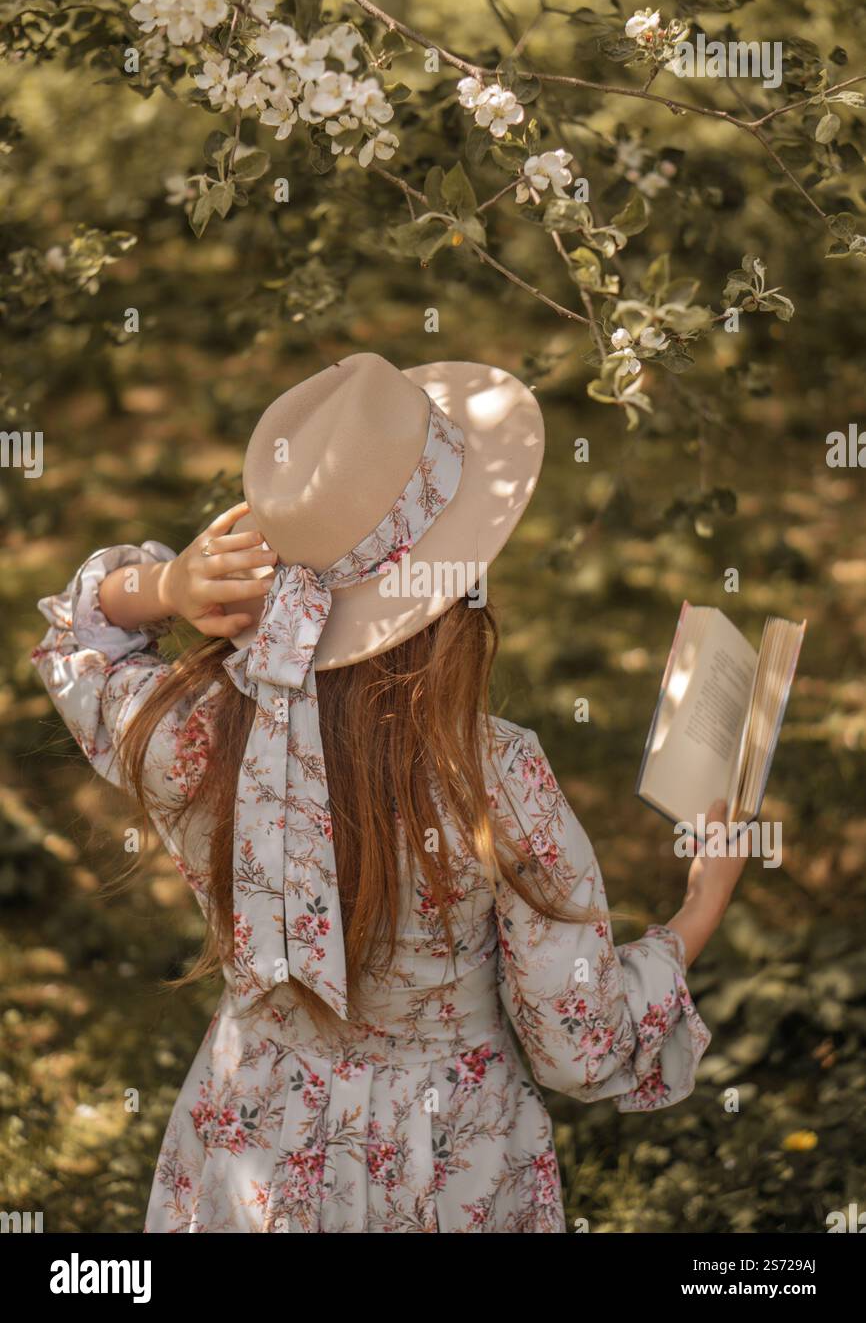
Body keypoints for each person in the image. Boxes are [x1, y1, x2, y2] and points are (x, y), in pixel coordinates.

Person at [32, 352, 745, 1234]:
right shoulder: (497, 778)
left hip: (251, 1140)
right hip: (450, 1164)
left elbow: (78, 640)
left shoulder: (197, 732)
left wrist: (164, 587)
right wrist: (698, 913)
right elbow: (576, 1041)